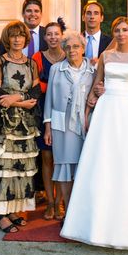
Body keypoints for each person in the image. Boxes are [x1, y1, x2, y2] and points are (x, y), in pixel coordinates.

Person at [60, 17, 128, 249]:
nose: (121, 34)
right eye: (117, 30)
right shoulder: (105, 56)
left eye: (124, 30)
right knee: (103, 161)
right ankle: (95, 222)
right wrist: (93, 101)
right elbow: (96, 84)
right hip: (106, 111)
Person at [0, 21, 42, 233]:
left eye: (20, 36)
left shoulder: (31, 63)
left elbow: (35, 94)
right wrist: (19, 102)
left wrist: (16, 98)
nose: (17, 39)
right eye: (13, 36)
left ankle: (13, 210)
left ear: (26, 39)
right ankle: (1, 215)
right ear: (8, 39)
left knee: (19, 171)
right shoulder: (0, 62)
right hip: (5, 125)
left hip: (26, 127)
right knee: (4, 169)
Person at [43, 31, 95, 215]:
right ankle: (68, 208)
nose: (71, 50)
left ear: (83, 48)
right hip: (61, 125)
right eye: (68, 47)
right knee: (64, 166)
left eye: (76, 46)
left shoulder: (93, 70)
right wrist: (47, 127)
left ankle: (81, 210)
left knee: (84, 165)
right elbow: (49, 98)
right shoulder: (56, 69)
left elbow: (98, 94)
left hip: (85, 124)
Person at [32, 21, 66, 220]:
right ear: (45, 37)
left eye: (57, 34)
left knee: (61, 159)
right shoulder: (38, 57)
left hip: (64, 111)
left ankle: (60, 202)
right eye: (50, 34)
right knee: (46, 158)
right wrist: (51, 87)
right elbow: (35, 86)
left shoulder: (69, 55)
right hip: (43, 110)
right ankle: (50, 203)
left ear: (62, 36)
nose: (53, 37)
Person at [82, 0, 113, 65]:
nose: (92, 17)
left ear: (101, 18)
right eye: (88, 13)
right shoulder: (76, 40)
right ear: (83, 17)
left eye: (96, 13)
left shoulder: (110, 42)